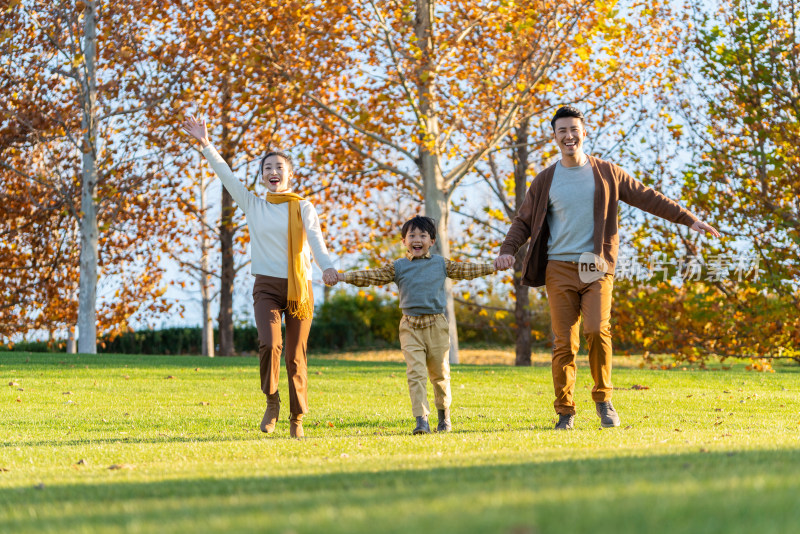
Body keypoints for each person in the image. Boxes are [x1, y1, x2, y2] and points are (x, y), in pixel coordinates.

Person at [494, 106, 720, 430]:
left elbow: (647, 197)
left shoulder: (607, 173)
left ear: (583, 133)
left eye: (574, 130)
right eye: (562, 131)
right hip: (558, 267)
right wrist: (506, 251)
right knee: (564, 342)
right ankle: (565, 411)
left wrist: (688, 219)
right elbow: (523, 221)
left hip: (596, 266)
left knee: (597, 330)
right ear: (555, 137)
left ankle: (603, 400)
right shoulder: (546, 179)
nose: (569, 136)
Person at [181, 115, 339, 439]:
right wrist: (206, 143)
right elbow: (225, 176)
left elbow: (316, 241)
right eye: (268, 168)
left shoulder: (303, 206)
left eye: (279, 167)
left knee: (296, 356)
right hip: (266, 284)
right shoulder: (253, 204)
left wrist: (327, 267)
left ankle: (297, 419)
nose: (273, 172)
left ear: (289, 174)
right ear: (262, 176)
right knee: (270, 343)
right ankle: (272, 400)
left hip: (301, 288)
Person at [331, 215, 499, 434]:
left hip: (437, 325)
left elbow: (466, 270)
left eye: (422, 235)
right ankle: (422, 420)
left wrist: (492, 267)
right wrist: (342, 276)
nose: (417, 239)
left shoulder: (440, 263)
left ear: (432, 241)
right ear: (404, 241)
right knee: (415, 374)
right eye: (411, 235)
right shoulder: (398, 267)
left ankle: (444, 417)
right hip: (410, 327)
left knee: (440, 374)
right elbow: (372, 276)